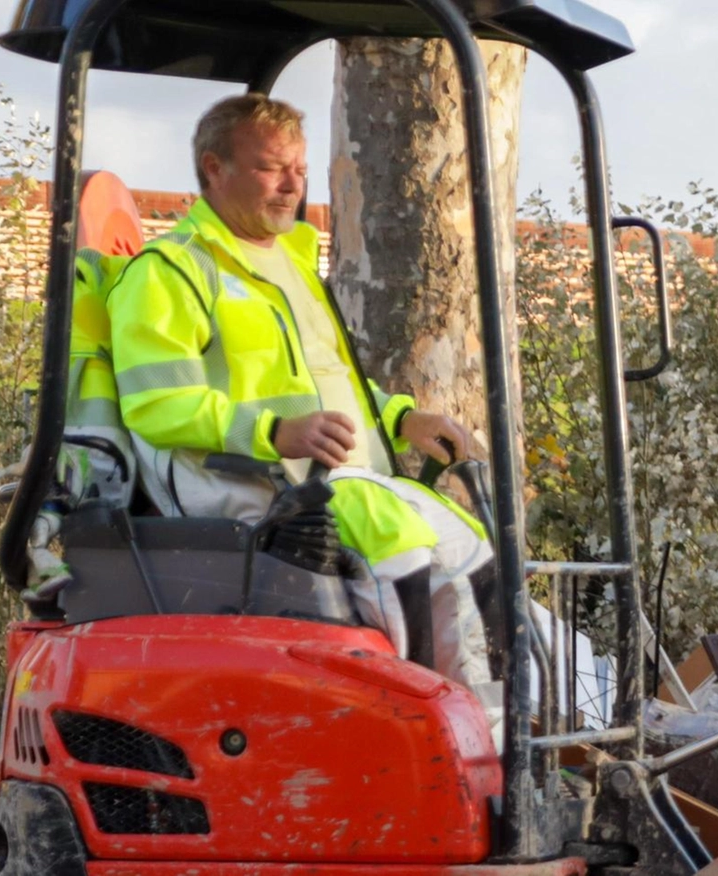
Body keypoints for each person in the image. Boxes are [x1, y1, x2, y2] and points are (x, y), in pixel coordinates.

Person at [106, 95, 497, 702]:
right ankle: (430, 728)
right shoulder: (170, 272)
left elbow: (328, 380)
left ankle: (497, 745)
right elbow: (157, 404)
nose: (292, 186)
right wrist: (273, 432)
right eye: (270, 168)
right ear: (214, 168)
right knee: (400, 547)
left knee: (469, 542)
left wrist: (399, 417)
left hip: (327, 478)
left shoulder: (291, 262)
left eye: (300, 169)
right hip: (244, 485)